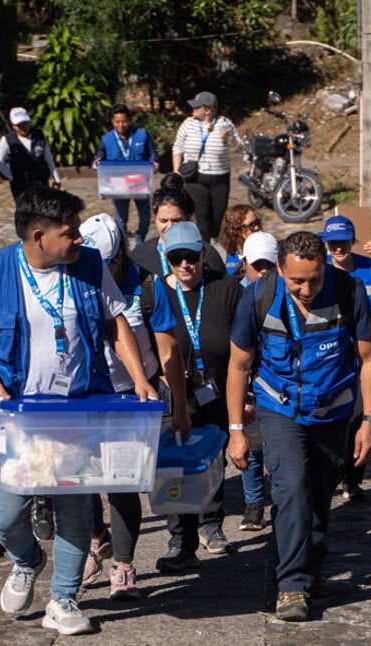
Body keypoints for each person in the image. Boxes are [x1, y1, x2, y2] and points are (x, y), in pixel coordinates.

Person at [0, 186, 182, 636]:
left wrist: (138, 379)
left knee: (76, 513)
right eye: (70, 233)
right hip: (15, 420)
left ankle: (63, 599)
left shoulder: (89, 266)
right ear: (39, 237)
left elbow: (117, 323)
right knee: (6, 514)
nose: (80, 241)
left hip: (77, 415)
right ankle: (26, 561)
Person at [224, 231, 371, 622]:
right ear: (280, 269)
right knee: (291, 487)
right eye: (297, 280)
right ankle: (291, 585)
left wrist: (369, 421)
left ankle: (313, 565)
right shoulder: (259, 296)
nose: (307, 288)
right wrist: (236, 429)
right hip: (280, 410)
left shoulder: (349, 292)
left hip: (333, 412)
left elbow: (370, 359)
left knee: (318, 494)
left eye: (315, 278)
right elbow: (239, 365)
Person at [76, 213, 169, 600]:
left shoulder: (146, 286)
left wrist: (173, 400)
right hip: (87, 394)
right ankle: (99, 538)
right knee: (82, 481)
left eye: (106, 262)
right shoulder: (76, 277)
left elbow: (167, 348)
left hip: (132, 395)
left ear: (119, 257)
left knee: (121, 484)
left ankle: (124, 566)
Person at [146, 222, 245, 570]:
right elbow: (143, 341)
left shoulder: (227, 288)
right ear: (166, 258)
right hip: (175, 395)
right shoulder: (156, 291)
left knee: (212, 460)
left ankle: (212, 524)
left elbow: (246, 343)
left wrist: (245, 395)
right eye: (177, 258)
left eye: (191, 257)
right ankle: (181, 541)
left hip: (217, 389)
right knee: (175, 466)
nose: (185, 265)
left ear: (204, 255)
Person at [322, 215, 371, 501]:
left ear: (353, 242)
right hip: (333, 356)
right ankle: (331, 473)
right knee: (333, 417)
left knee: (360, 416)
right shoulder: (321, 272)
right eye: (333, 243)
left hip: (365, 356)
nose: (338, 248)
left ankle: (353, 478)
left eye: (343, 242)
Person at [235, 230, 279, 531]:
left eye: (268, 265)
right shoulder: (237, 294)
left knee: (276, 447)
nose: (262, 272)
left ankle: (279, 500)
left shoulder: (284, 292)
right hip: (247, 377)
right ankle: (253, 504)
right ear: (244, 263)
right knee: (250, 446)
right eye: (257, 265)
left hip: (276, 382)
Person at [173, 91, 243, 243]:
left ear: (208, 110)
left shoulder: (225, 123)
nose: (193, 109)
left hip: (219, 177)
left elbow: (239, 148)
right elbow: (177, 148)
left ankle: (215, 241)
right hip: (195, 177)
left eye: (197, 107)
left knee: (217, 216)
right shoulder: (188, 124)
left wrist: (228, 138)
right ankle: (204, 250)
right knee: (202, 215)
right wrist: (176, 172)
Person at [127, 184, 228, 278]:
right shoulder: (140, 256)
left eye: (176, 221)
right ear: (154, 218)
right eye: (163, 221)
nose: (170, 226)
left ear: (188, 218)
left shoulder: (207, 254)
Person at [96, 104, 159, 244]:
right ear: (112, 121)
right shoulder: (106, 139)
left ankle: (140, 239)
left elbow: (152, 151)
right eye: (117, 122)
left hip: (139, 182)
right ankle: (123, 242)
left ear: (129, 120)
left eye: (124, 121)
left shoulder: (141, 134)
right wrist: (97, 160)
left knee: (145, 215)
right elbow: (100, 154)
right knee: (120, 216)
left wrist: (154, 161)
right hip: (117, 183)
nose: (121, 125)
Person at [0, 107, 62, 201]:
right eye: (19, 125)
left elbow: (48, 157)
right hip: (20, 183)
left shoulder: (39, 136)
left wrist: (56, 178)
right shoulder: (8, 140)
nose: (23, 127)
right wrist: (12, 177)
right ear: (13, 125)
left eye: (25, 123)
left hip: (40, 180)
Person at [218, 204, 262, 279]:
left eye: (257, 222)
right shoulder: (222, 257)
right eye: (251, 225)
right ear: (236, 231)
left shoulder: (268, 250)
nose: (257, 227)